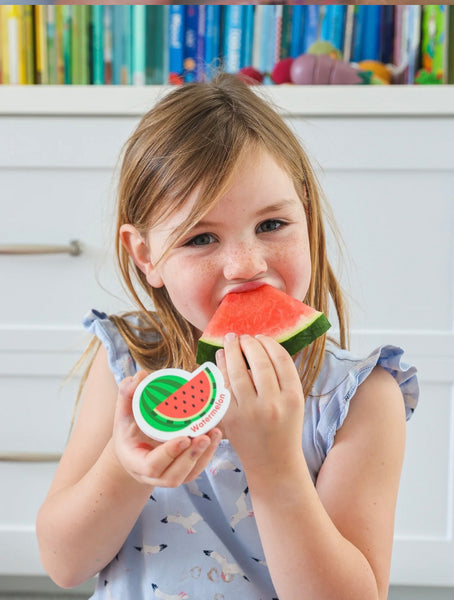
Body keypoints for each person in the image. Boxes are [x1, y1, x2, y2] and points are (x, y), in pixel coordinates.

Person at [36, 73, 418, 600]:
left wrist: (276, 467)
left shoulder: (360, 399)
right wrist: (127, 466)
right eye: (201, 237)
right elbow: (63, 564)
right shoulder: (130, 365)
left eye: (271, 225)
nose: (246, 266)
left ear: (304, 213)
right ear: (145, 255)